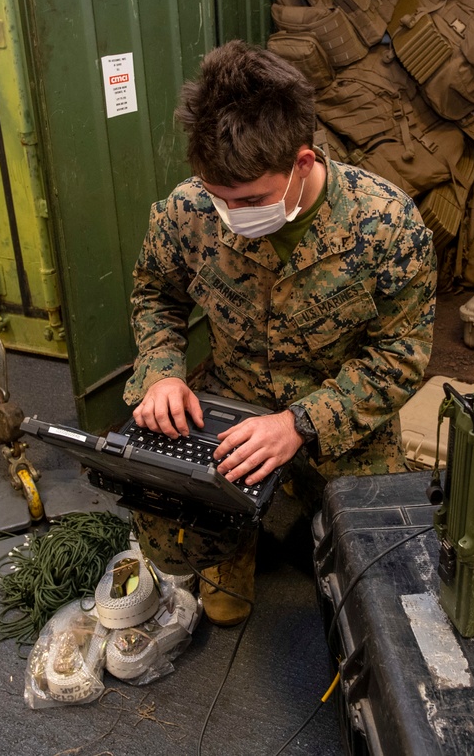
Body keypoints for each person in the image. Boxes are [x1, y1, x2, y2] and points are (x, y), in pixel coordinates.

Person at [123, 40, 437, 626]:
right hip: (231, 404)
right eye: (218, 197)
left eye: (249, 200)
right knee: (171, 536)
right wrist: (162, 373)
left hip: (342, 419)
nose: (230, 214)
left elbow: (399, 357)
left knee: (383, 576)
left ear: (302, 162)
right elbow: (155, 295)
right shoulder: (188, 210)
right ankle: (229, 544)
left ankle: (308, 511)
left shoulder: (388, 225)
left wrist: (300, 424)